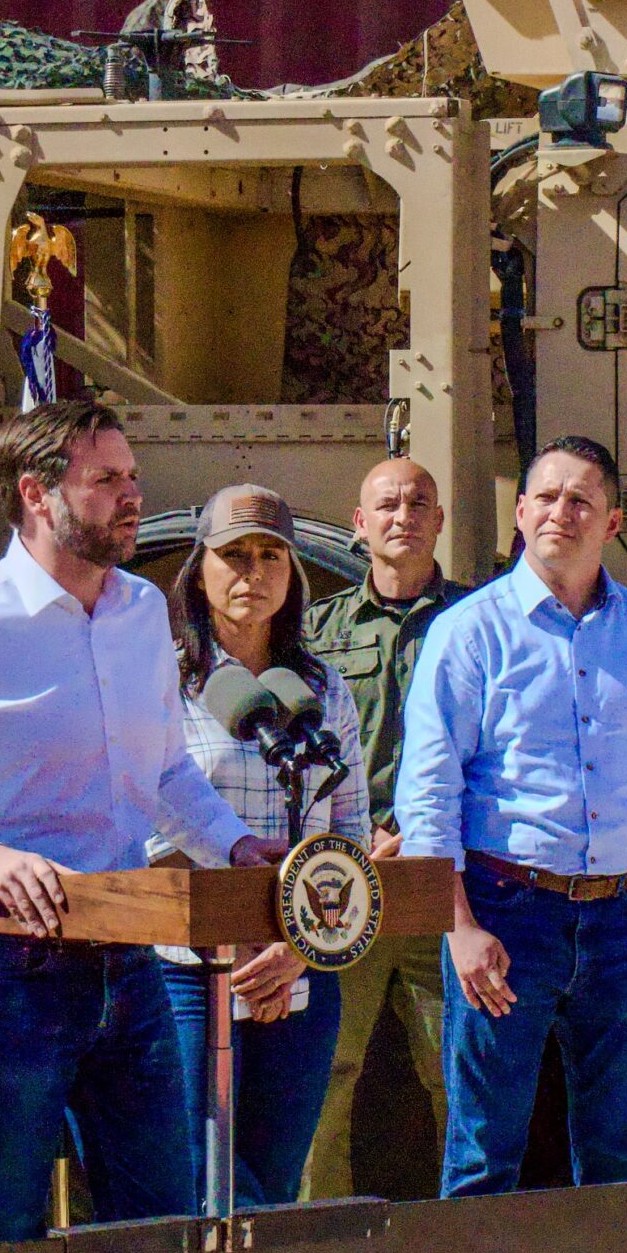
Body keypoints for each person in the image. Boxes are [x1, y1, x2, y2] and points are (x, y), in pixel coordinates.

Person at [0, 400, 283, 1243]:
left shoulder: (142, 611)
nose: (132, 495)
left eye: (132, 476)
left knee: (158, 1221)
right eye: (105, 479)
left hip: (131, 958)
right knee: (9, 1227)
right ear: (36, 494)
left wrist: (233, 842)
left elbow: (164, 770)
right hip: (8, 966)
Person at [396, 435, 627, 1198]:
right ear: (519, 512)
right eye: (545, 496)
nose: (560, 513)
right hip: (505, 916)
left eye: (581, 500)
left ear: (612, 523)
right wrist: (459, 926)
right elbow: (430, 794)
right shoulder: (469, 632)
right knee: (484, 1156)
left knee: (618, 1161)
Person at [153, 485, 369, 1208]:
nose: (253, 572)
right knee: (199, 1173)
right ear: (200, 570)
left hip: (301, 966)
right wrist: (238, 932)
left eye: (271, 555)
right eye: (235, 554)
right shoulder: (163, 682)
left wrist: (296, 948)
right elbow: (146, 828)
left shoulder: (321, 688)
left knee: (272, 1187)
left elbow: (349, 832)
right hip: (188, 969)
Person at [298, 459, 468, 1198]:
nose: (404, 516)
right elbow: (298, 750)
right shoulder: (316, 631)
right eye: (388, 504)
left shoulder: (479, 622)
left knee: (457, 1072)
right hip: (345, 882)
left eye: (419, 503)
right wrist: (353, 836)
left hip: (446, 887)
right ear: (359, 524)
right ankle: (316, 1238)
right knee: (327, 1072)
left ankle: (466, 1235)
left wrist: (421, 833)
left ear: (440, 521)